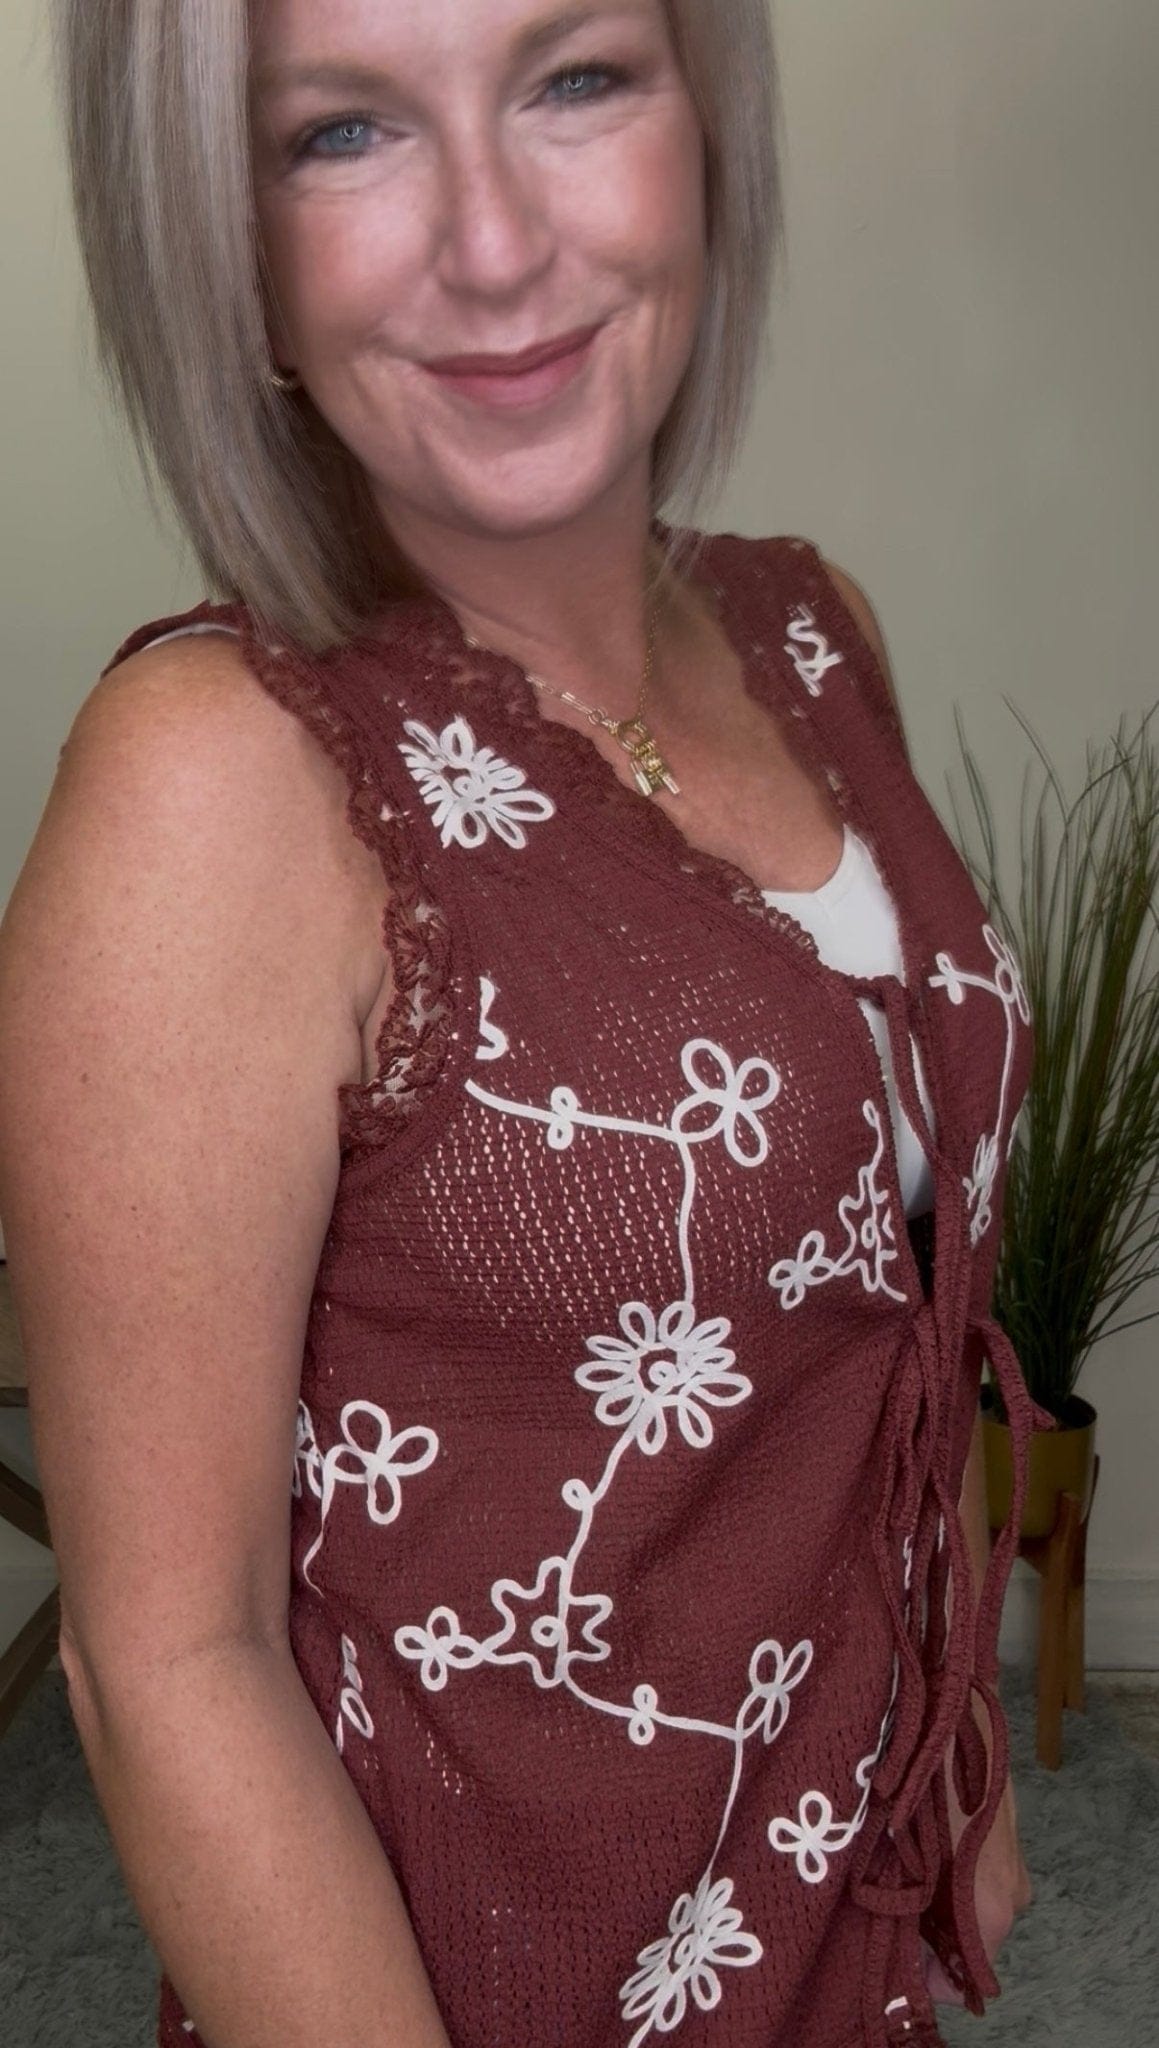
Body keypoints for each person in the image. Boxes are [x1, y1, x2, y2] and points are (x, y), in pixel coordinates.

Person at [0, 2, 1050, 2044]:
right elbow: (169, 1663)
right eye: (341, 134)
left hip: (837, 1954)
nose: (492, 246)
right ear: (227, 242)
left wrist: (958, 1730)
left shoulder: (811, 629)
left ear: (705, 118)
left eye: (576, 79)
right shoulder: (216, 781)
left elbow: (890, 1278)